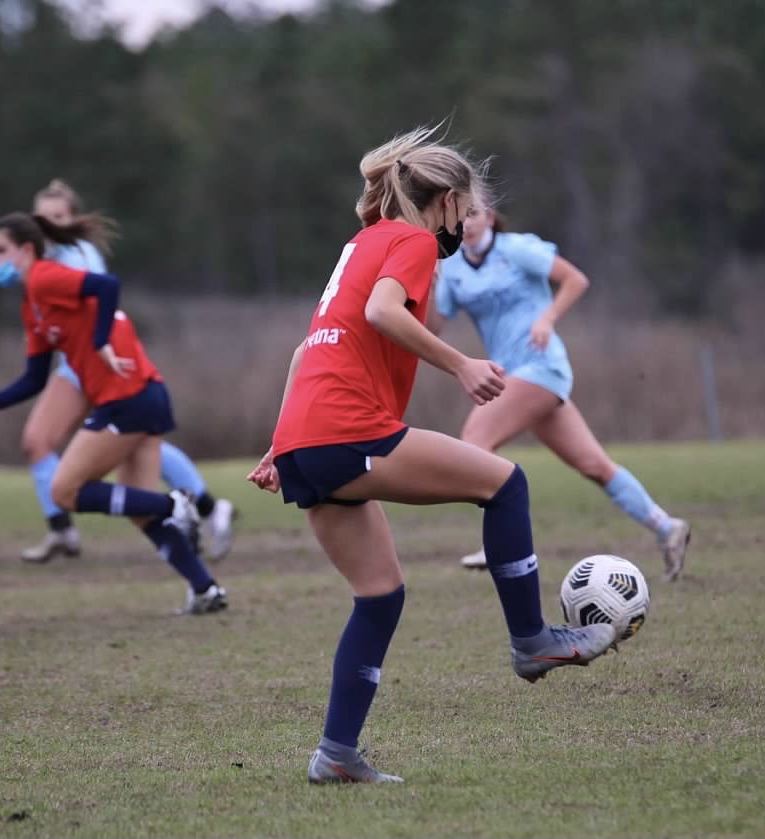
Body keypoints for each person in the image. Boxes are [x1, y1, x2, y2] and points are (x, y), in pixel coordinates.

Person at [247, 127, 615, 785]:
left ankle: (335, 754)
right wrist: (461, 365)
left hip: (309, 437)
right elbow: (385, 312)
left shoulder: (362, 241)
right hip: (349, 429)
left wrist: (281, 444)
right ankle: (531, 639)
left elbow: (309, 349)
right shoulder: (413, 239)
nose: (466, 223)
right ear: (443, 201)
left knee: (379, 593)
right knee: (505, 482)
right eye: (466, 210)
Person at [0, 211, 228, 614]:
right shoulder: (34, 304)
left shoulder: (45, 278)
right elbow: (33, 377)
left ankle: (176, 504)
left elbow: (106, 285)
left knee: (65, 491)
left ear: (27, 250)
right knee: (140, 510)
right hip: (142, 397)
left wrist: (100, 341)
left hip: (128, 398)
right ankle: (205, 589)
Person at [428, 204, 691, 580]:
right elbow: (433, 326)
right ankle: (668, 528)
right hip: (512, 374)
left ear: (490, 216)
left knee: (475, 438)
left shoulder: (516, 249)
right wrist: (429, 277)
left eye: (474, 213)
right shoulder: (451, 268)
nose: (467, 222)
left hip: (541, 366)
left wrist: (547, 319)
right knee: (595, 466)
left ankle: (498, 541)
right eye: (461, 215)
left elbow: (575, 280)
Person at [16, 180, 237, 564]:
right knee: (120, 442)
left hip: (95, 366)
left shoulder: (73, 255)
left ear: (72, 220)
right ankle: (204, 509)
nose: (48, 225)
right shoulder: (45, 261)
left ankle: (189, 509)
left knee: (48, 441)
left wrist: (93, 340)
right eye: (41, 218)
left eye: (57, 217)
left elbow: (98, 295)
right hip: (79, 366)